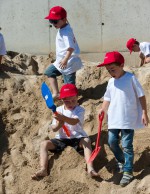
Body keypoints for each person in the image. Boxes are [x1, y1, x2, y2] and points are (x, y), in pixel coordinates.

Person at [97, 51, 149, 187]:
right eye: (108, 70)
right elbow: (107, 98)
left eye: (113, 69)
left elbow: (141, 96)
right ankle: (122, 161)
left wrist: (144, 112)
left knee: (127, 146)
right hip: (114, 118)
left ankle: (128, 172)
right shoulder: (110, 82)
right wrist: (103, 109)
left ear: (121, 65)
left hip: (127, 119)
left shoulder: (131, 78)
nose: (111, 72)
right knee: (112, 142)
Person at [32, 83, 98, 179]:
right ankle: (43, 169)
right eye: (67, 101)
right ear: (62, 100)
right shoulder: (58, 110)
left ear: (77, 97)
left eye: (73, 100)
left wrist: (62, 117)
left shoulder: (80, 110)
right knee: (44, 144)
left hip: (77, 138)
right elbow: (54, 128)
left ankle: (90, 168)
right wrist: (59, 124)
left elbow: (74, 122)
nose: (71, 103)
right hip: (62, 139)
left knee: (87, 141)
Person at [44, 6, 83, 99]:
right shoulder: (64, 28)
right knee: (49, 72)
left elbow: (71, 48)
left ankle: (73, 101)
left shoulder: (66, 32)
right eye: (51, 21)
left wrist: (65, 60)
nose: (53, 24)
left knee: (69, 87)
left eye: (55, 21)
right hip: (61, 61)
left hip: (69, 62)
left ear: (64, 19)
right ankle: (56, 93)